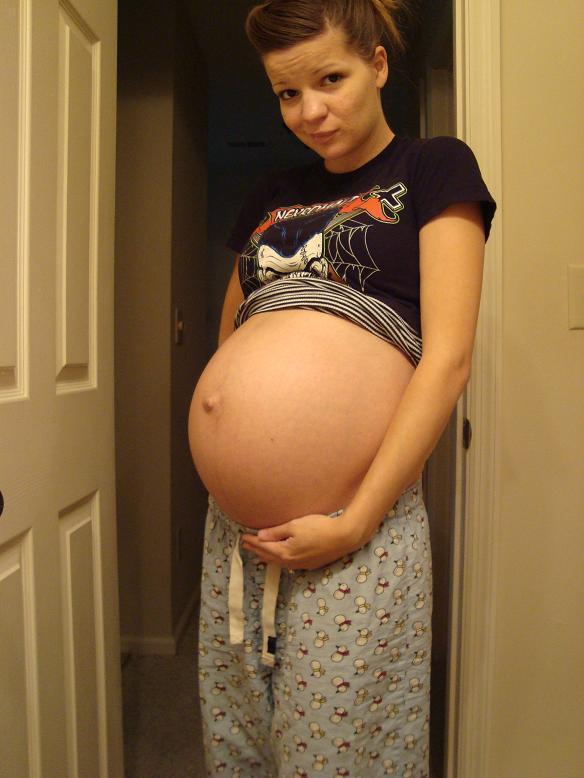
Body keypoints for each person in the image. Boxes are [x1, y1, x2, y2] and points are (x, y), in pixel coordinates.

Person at [192, 1, 496, 775]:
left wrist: (356, 521)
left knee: (338, 752)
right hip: (235, 532)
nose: (310, 111)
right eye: (288, 93)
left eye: (331, 79)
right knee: (240, 742)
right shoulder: (270, 194)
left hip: (355, 530)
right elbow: (234, 336)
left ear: (378, 64)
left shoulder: (433, 168)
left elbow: (448, 360)